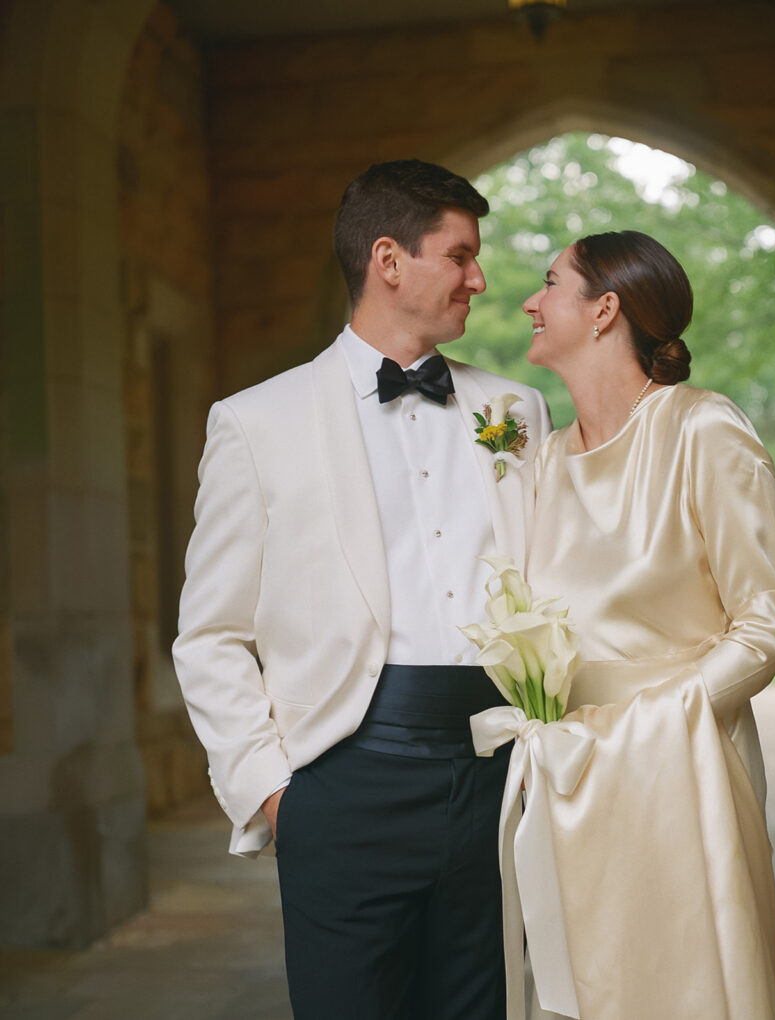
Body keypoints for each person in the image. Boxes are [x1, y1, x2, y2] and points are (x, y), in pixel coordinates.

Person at [173, 159, 551, 1020]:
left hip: (499, 782)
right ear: (389, 260)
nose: (479, 278)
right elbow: (210, 633)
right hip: (342, 786)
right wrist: (273, 792)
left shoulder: (516, 414)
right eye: (459, 255)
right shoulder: (255, 422)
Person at [515, 230, 775, 1019]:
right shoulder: (542, 461)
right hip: (571, 780)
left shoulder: (703, 428)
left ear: (605, 309)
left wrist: (654, 731)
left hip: (686, 764)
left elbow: (768, 624)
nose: (529, 303)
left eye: (549, 284)